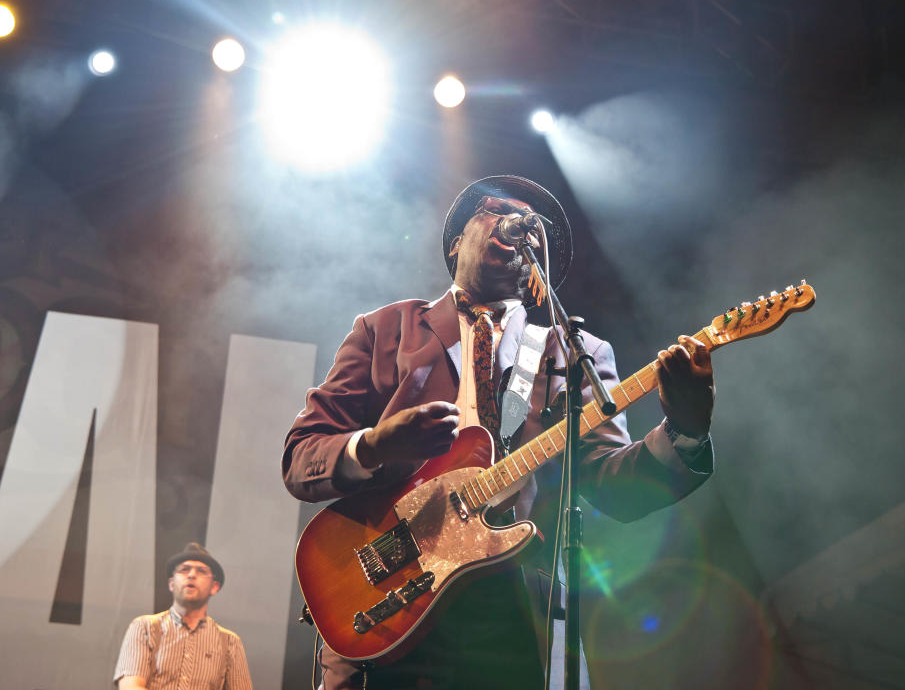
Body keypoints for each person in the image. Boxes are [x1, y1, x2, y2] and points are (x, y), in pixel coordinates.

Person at [283, 175, 716, 689]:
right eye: (494, 211)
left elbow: (613, 486)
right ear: (455, 244)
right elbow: (301, 456)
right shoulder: (385, 331)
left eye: (535, 227)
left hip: (513, 616)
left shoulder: (574, 353)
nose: (520, 225)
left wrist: (686, 429)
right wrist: (374, 446)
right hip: (386, 606)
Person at [114, 542, 253, 690]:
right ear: (172, 584)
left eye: (201, 571)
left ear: (214, 587)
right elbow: (131, 687)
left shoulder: (230, 642)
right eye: (184, 569)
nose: (192, 575)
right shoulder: (144, 628)